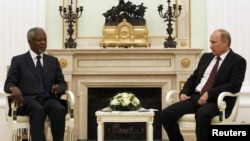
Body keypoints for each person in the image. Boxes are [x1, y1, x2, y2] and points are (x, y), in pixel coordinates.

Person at [160, 29, 247, 141]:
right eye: (210, 42)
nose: (210, 46)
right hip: (195, 97)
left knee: (202, 114)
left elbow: (234, 85)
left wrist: (209, 94)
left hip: (218, 102)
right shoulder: (206, 57)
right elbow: (194, 78)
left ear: (225, 42)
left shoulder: (238, 61)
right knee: (165, 114)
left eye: (214, 42)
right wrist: (184, 92)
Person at [4, 27, 67, 141]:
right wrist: (13, 88)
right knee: (38, 110)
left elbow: (62, 83)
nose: (43, 43)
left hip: (48, 98)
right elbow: (8, 84)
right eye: (39, 40)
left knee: (59, 109)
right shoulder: (18, 60)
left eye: (45, 39)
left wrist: (59, 87)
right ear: (30, 42)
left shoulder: (52, 61)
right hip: (27, 100)